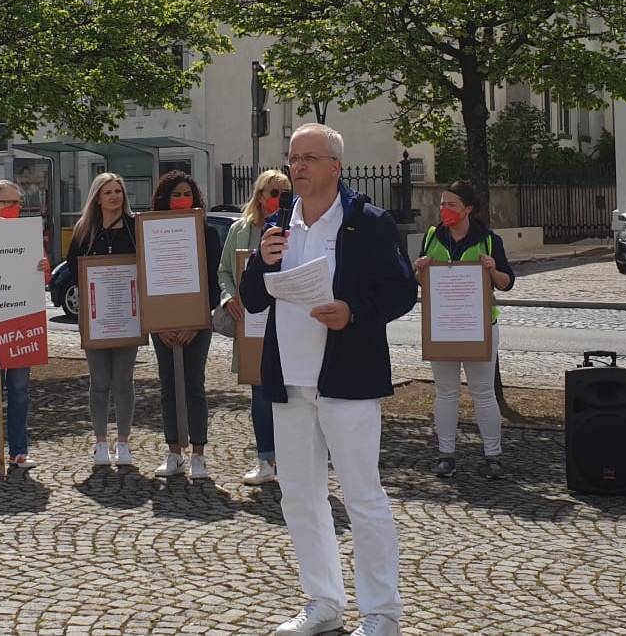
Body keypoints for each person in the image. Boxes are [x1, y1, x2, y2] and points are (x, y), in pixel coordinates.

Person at [242, 124, 417, 636]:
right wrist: (262, 260)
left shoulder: (367, 222)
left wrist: (353, 312)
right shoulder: (277, 224)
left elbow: (403, 290)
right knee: (298, 495)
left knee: (363, 495)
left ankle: (382, 613)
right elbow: (254, 298)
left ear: (336, 167)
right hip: (289, 380)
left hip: (348, 379)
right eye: (293, 158)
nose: (298, 168)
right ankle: (323, 602)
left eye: (309, 158)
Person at [412, 181, 515, 479]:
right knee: (446, 393)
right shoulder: (433, 236)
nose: (445, 210)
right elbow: (422, 282)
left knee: (483, 392)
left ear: (468, 209)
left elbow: (506, 282)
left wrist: (492, 268)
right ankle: (446, 455)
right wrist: (421, 269)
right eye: (442, 204)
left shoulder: (488, 240)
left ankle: (493, 456)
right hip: (442, 326)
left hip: (479, 326)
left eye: (451, 205)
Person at [217, 168, 290, 486]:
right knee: (259, 394)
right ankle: (266, 460)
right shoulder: (240, 229)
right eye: (273, 193)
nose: (278, 199)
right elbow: (223, 272)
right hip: (250, 323)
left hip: (285, 322)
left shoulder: (294, 228)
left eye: (284, 194)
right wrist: (229, 297)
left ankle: (290, 461)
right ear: (260, 195)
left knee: (290, 395)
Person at [149, 170, 220, 480]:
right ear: (164, 198)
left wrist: (196, 322)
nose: (181, 199)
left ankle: (198, 454)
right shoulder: (150, 231)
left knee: (194, 385)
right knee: (168, 386)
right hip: (161, 323)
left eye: (186, 194)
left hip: (198, 322)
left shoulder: (207, 233)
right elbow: (147, 278)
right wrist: (160, 324)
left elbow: (214, 285)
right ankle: (173, 451)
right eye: (175, 194)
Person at [0, 179, 50, 470]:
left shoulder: (27, 234)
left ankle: (20, 450)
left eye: (18, 203)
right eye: (8, 203)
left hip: (21, 322)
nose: (14, 209)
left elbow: (38, 278)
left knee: (19, 389)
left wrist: (43, 269)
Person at [66, 173, 138, 469]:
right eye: (107, 192)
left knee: (124, 382)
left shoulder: (135, 228)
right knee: (99, 383)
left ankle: (123, 441)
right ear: (97, 197)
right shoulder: (84, 230)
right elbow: (73, 268)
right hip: (95, 317)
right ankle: (100, 442)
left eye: (118, 191)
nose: (113, 197)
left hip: (128, 315)